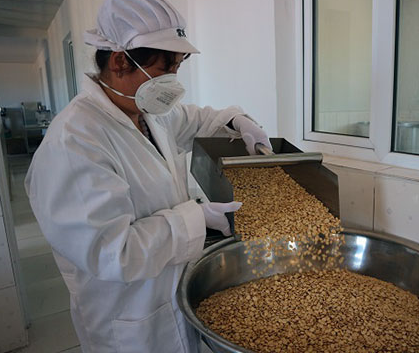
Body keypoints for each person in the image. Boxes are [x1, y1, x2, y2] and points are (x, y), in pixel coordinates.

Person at [24, 0, 271, 352]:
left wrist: (235, 119)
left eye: (177, 67)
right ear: (120, 60)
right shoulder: (75, 141)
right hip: (126, 319)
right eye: (164, 69)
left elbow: (194, 119)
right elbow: (112, 252)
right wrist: (195, 218)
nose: (172, 82)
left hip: (169, 295)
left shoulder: (149, 113)